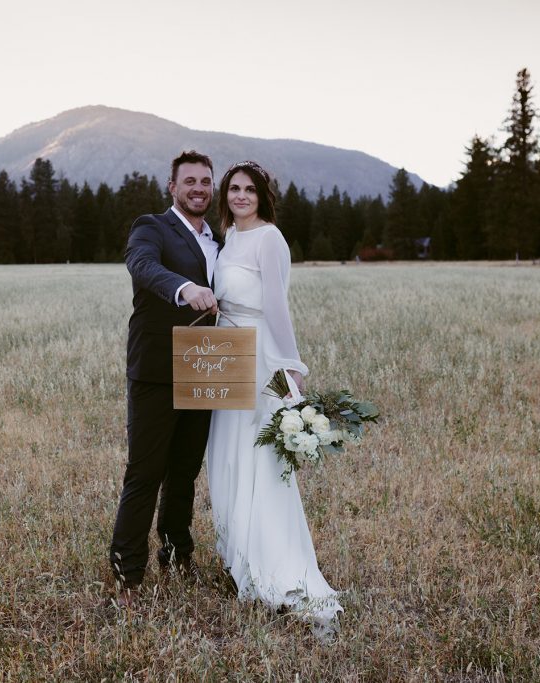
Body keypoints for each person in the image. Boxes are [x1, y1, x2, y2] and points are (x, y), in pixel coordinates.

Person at [206, 160, 342, 636]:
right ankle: (239, 557)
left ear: (262, 195)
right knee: (226, 457)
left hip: (261, 356)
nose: (240, 196)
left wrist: (292, 367)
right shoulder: (228, 239)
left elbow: (278, 305)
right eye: (234, 189)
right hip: (228, 355)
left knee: (259, 461)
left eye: (249, 190)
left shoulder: (270, 239)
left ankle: (276, 567)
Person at [109, 150, 221, 599]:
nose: (198, 188)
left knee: (185, 470)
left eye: (205, 182)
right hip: (157, 369)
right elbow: (142, 266)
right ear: (171, 187)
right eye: (189, 181)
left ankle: (176, 554)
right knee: (145, 472)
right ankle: (127, 570)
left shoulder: (220, 239)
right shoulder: (150, 227)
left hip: (205, 364)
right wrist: (183, 287)